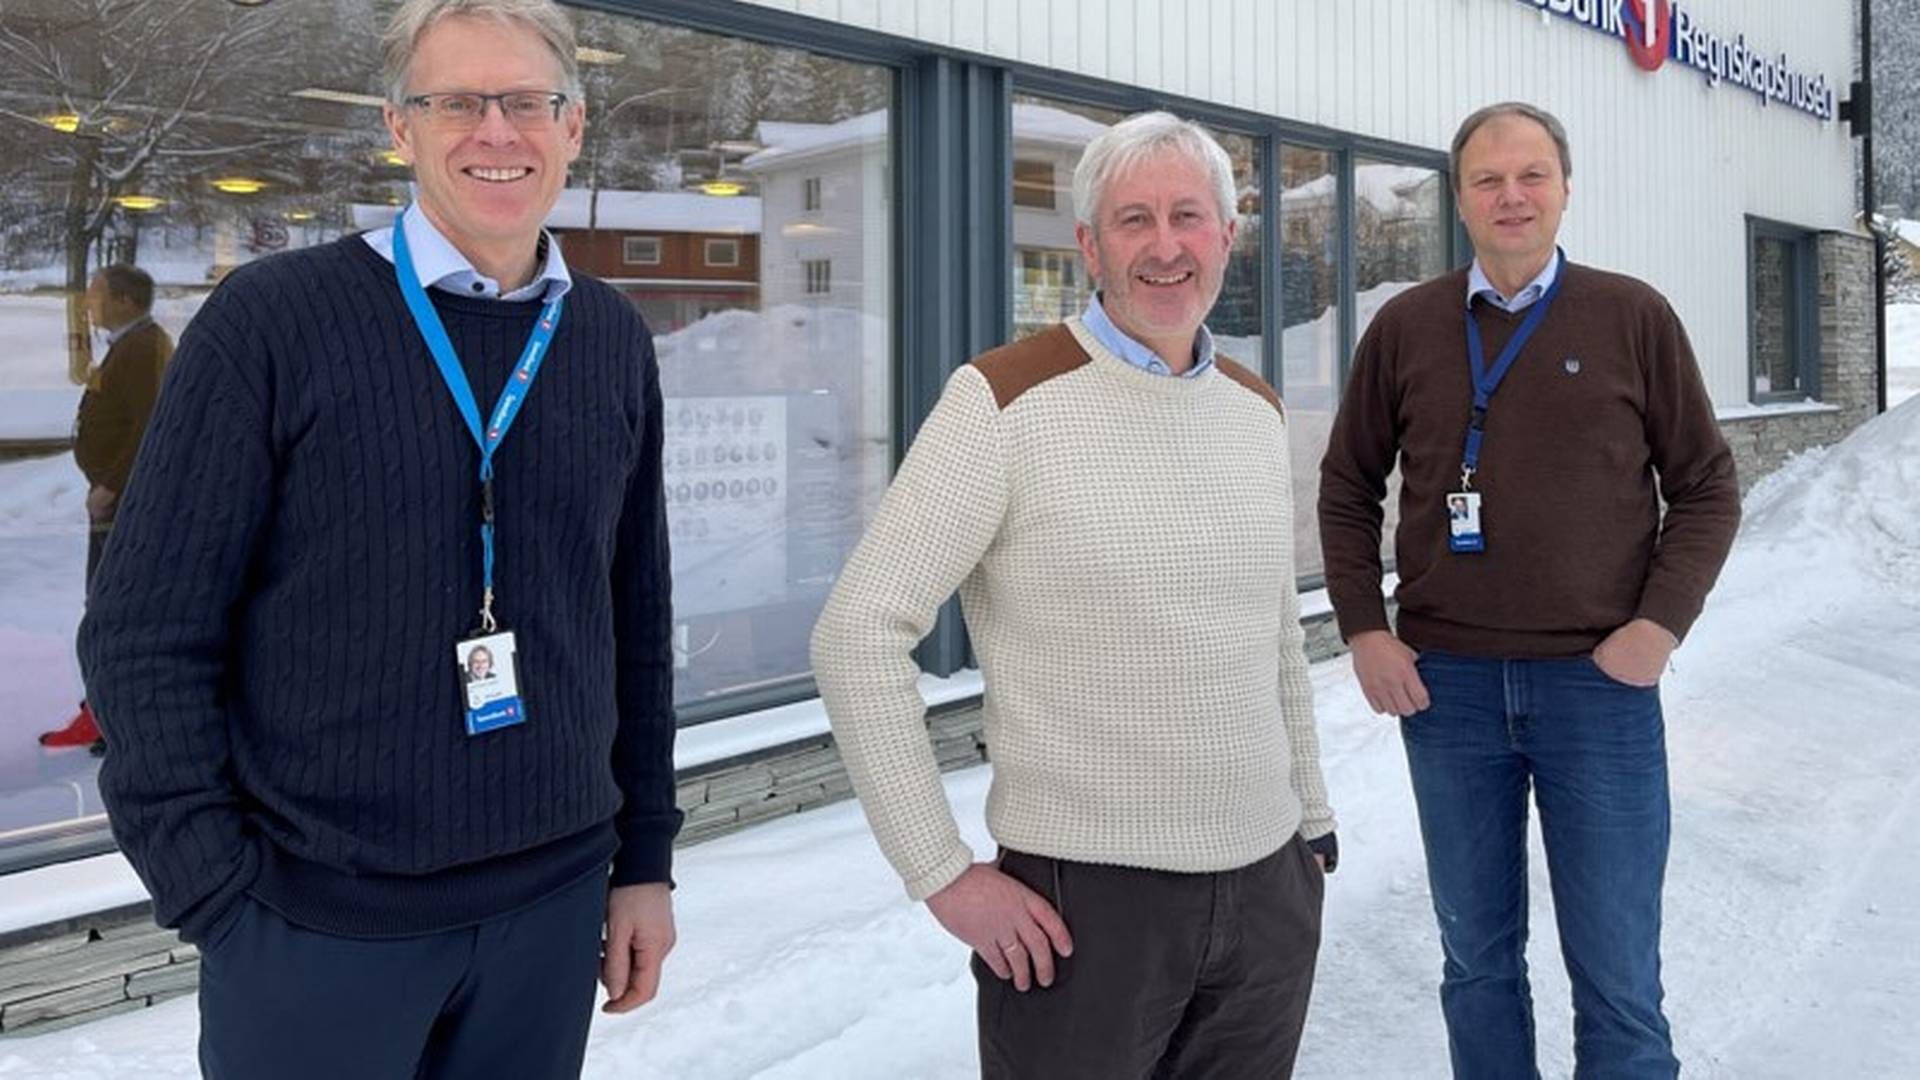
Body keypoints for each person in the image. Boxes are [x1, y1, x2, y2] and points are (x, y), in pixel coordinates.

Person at [78, 2, 680, 1076]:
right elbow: (145, 631)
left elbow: (632, 620)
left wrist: (642, 861)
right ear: (400, 127)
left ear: (575, 126)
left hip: (551, 913)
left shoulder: (608, 338)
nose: (496, 131)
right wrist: (216, 890)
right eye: (457, 101)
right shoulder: (273, 321)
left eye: (528, 102)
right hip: (316, 927)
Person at [812, 110, 1337, 1079]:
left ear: (1229, 236)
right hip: (1084, 915)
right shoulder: (1004, 401)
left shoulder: (1256, 412)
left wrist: (1311, 822)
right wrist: (941, 872)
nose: (1166, 245)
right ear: (1091, 246)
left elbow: (1273, 639)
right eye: (1133, 220)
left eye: (1189, 215)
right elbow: (858, 636)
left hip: (1268, 896)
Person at [1317, 101, 1740, 1079]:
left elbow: (1708, 487)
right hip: (1448, 691)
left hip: (1599, 690)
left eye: (1532, 175)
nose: (1512, 196)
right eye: (1489, 179)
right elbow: (1348, 488)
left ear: (1564, 187)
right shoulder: (1406, 327)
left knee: (1619, 972)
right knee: (1476, 962)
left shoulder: (1632, 315)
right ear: (1460, 198)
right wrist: (1364, 631)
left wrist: (1657, 627)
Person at [38, 264, 172, 754]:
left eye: (95, 296)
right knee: (105, 606)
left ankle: (110, 714)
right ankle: (104, 709)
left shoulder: (142, 349)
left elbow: (150, 427)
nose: (88, 305)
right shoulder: (130, 345)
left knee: (112, 608)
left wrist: (112, 486)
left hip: (127, 508)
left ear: (125, 301)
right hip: (118, 503)